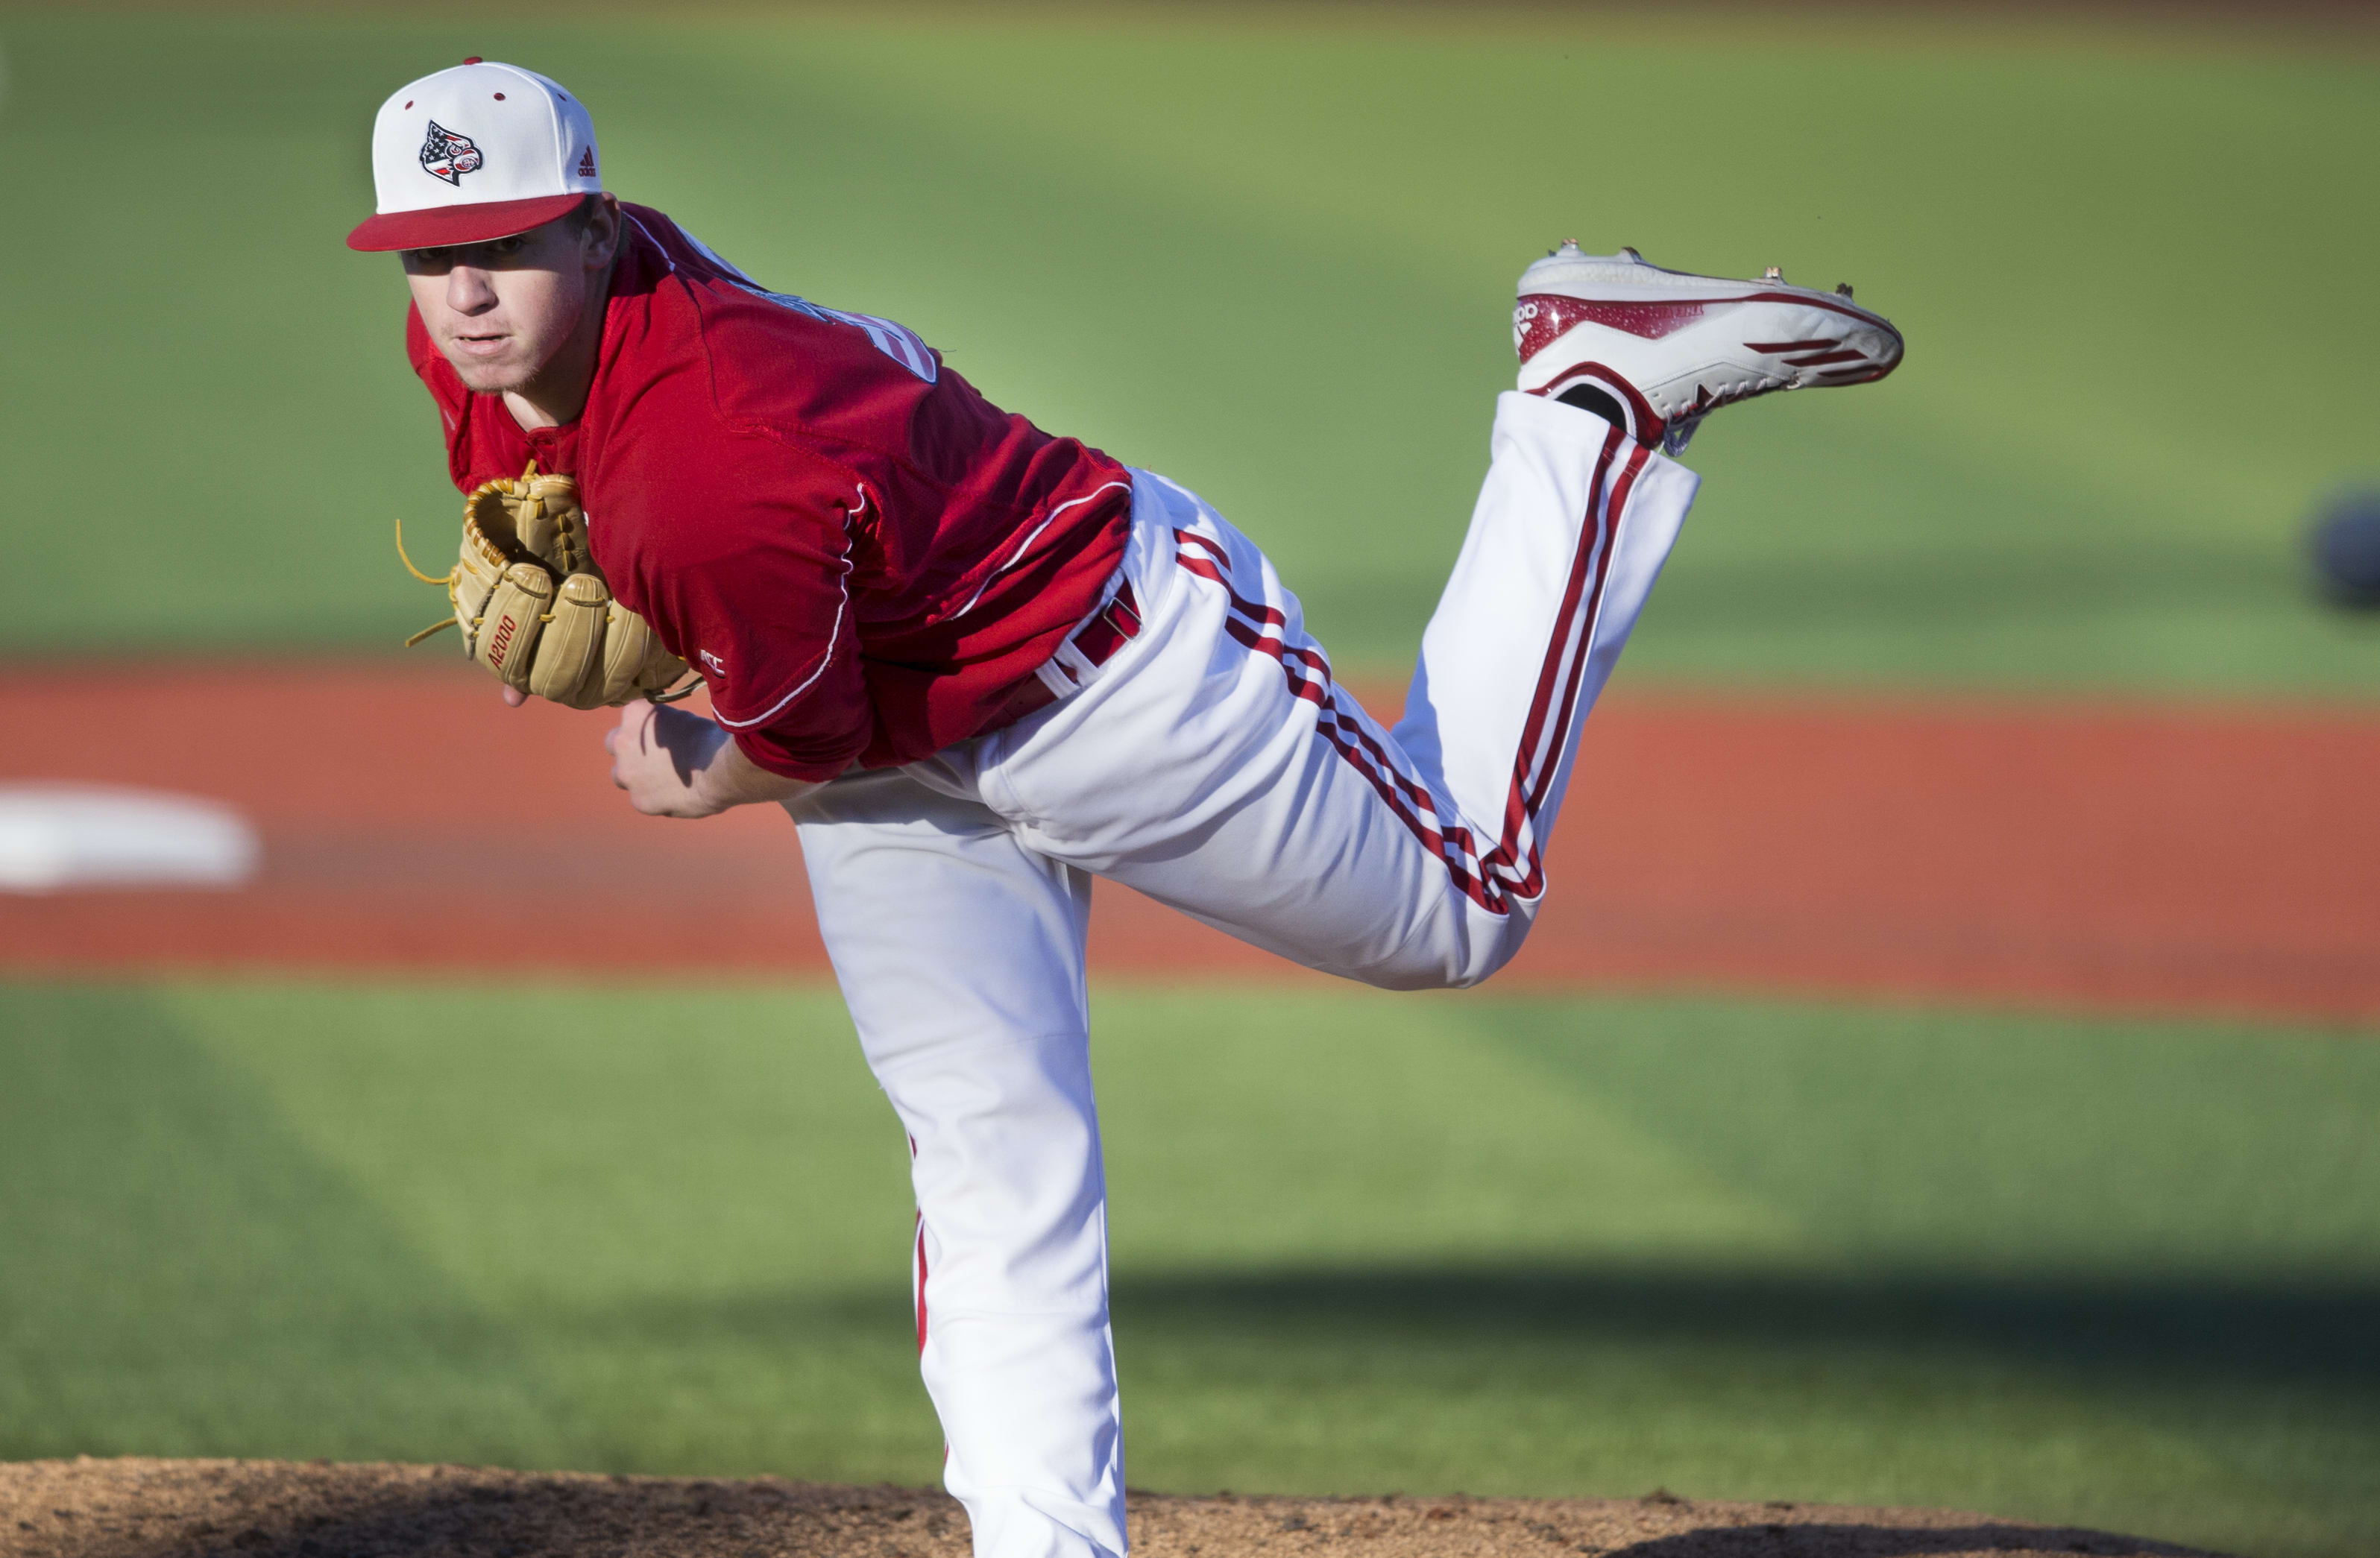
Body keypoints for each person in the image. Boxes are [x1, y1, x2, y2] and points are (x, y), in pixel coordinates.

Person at [350, 57, 1901, 1558]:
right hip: (903, 737)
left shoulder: (708, 473)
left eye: (504, 245)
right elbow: (678, 570)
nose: (467, 294)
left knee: (1464, 903)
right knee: (987, 1151)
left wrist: (683, 771)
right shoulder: (489, 357)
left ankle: (1590, 395)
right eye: (429, 257)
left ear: (600, 228)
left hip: (1116, 674)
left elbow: (788, 735)